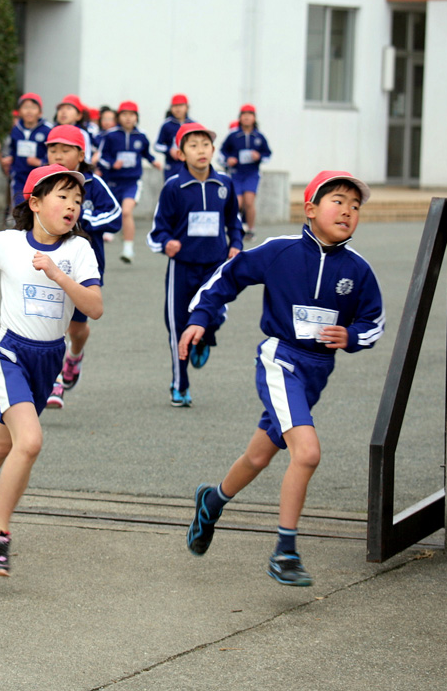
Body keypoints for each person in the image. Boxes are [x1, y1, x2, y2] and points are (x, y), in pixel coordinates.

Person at [183, 171, 384, 587]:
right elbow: (227, 277)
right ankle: (285, 549)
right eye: (337, 201)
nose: (347, 210)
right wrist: (201, 319)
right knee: (306, 452)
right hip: (280, 359)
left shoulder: (359, 271)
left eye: (355, 205)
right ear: (310, 210)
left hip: (317, 371)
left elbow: (374, 323)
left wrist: (350, 335)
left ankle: (213, 499)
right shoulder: (280, 251)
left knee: (259, 456)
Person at [0, 164, 102, 576]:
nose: (71, 206)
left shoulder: (80, 250)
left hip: (48, 358)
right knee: (28, 442)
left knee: (0, 445)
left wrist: (58, 273)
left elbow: (95, 308)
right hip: (7, 352)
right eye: (62, 197)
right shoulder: (7, 243)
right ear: (34, 202)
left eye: (77, 200)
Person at [146, 122, 242, 407]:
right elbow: (158, 230)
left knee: (216, 314)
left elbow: (233, 221)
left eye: (205, 145)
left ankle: (206, 336)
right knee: (177, 326)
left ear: (213, 150)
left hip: (215, 266)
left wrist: (236, 243)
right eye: (193, 146)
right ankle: (180, 384)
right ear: (180, 154)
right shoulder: (174, 187)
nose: (200, 151)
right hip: (182, 267)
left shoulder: (224, 184)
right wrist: (166, 243)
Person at [41, 125, 120, 408]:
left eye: (66, 149)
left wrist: (83, 224)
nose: (58, 155)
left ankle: (75, 354)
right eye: (53, 149)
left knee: (76, 328)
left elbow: (115, 214)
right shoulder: (43, 183)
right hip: (49, 265)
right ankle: (55, 381)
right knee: (52, 324)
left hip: (86, 268)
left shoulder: (93, 184)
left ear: (81, 153)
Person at [97, 100, 161, 264]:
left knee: (126, 212)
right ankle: (110, 238)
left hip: (132, 182)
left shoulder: (141, 136)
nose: (128, 118)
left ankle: (128, 249)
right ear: (119, 117)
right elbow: (102, 157)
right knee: (113, 214)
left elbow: (147, 153)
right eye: (124, 115)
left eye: (131, 115)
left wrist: (154, 162)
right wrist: (112, 164)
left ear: (136, 117)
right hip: (112, 182)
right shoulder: (110, 135)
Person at [220, 104, 271, 238]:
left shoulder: (259, 136)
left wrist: (258, 157)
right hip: (236, 174)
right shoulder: (233, 136)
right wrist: (228, 160)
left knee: (249, 201)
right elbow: (222, 153)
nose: (247, 117)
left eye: (250, 115)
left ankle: (251, 229)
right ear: (240, 118)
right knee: (238, 202)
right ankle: (235, 228)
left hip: (252, 174)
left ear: (254, 118)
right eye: (244, 114)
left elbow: (268, 154)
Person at [2, 92, 52, 206]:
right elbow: (12, 149)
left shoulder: (47, 130)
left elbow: (53, 154)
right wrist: (9, 159)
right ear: (19, 112)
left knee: (37, 206)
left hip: (40, 178)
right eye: (25, 107)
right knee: (19, 206)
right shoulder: (16, 129)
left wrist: (41, 162)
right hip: (19, 176)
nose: (29, 111)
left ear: (40, 112)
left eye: (33, 108)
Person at [154, 93, 194, 181]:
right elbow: (157, 145)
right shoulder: (166, 125)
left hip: (190, 166)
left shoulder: (193, 125)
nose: (178, 109)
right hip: (171, 167)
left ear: (187, 107)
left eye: (181, 105)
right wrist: (169, 150)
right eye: (175, 106)